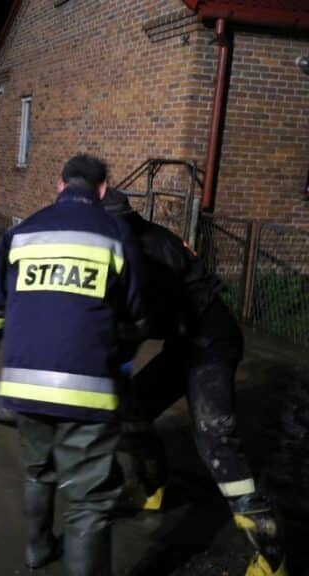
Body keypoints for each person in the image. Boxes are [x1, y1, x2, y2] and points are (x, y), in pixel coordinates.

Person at [0, 154, 147, 574]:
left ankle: (37, 551)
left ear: (58, 185)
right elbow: (140, 317)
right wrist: (119, 354)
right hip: (87, 391)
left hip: (22, 387)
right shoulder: (116, 235)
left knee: (39, 470)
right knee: (87, 503)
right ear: (103, 190)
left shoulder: (21, 233)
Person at [102, 188, 287, 576]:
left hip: (212, 342)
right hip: (185, 341)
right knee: (132, 409)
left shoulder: (144, 253)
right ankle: (153, 489)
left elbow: (138, 324)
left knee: (214, 439)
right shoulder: (133, 242)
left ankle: (272, 557)